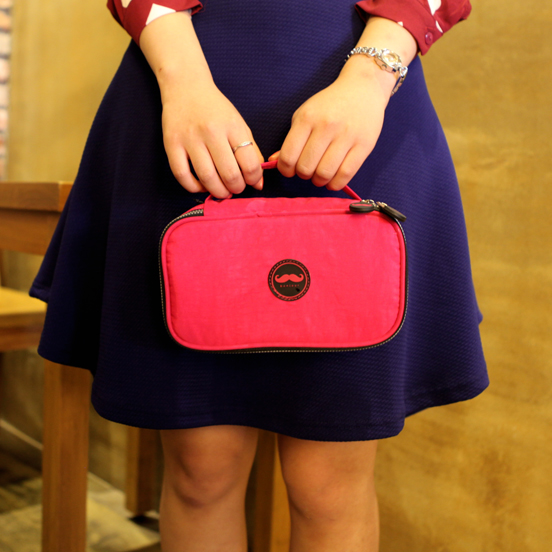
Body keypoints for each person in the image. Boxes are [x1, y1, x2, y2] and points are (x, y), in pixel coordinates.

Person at [29, 1, 489, 550]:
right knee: (200, 471)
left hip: (360, 117)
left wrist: (370, 77)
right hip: (184, 107)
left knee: (329, 485)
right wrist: (185, 84)